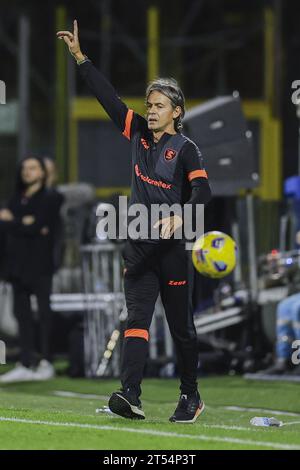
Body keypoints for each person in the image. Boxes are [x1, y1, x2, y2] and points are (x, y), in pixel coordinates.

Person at [57, 20, 211, 423]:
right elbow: (109, 100)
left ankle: (190, 395)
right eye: (149, 104)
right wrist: (80, 59)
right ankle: (130, 394)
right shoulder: (139, 134)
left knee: (182, 330)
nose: (152, 110)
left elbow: (203, 193)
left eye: (159, 105)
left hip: (172, 250)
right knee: (137, 321)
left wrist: (180, 214)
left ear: (177, 111)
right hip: (139, 246)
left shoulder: (187, 149)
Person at [0, 156, 63, 383]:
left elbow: (38, 225)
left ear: (43, 172)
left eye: (33, 168)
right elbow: (9, 223)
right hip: (16, 265)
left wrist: (14, 222)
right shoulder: (17, 197)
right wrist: (22, 222)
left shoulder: (52, 197)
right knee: (21, 314)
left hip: (40, 264)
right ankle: (25, 361)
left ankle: (46, 361)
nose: (28, 172)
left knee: (44, 312)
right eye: (25, 168)